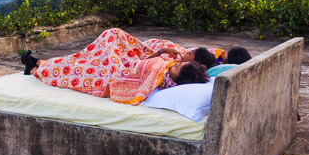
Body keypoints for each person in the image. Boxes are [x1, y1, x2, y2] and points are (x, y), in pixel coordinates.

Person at [21, 28, 209, 105]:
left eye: (175, 69)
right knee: (84, 59)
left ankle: (37, 66)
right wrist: (162, 53)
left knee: (78, 69)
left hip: (113, 76)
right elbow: (144, 59)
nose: (173, 66)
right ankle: (36, 64)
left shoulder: (164, 78)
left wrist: (160, 56)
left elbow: (136, 73)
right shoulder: (171, 69)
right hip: (124, 63)